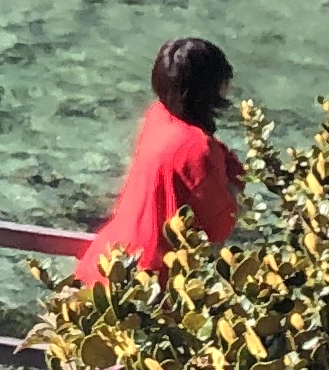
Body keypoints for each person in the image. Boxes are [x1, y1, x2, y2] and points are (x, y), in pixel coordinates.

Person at [77, 36, 241, 284]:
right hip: (148, 283)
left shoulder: (158, 115)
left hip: (110, 261)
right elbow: (220, 226)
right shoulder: (198, 149)